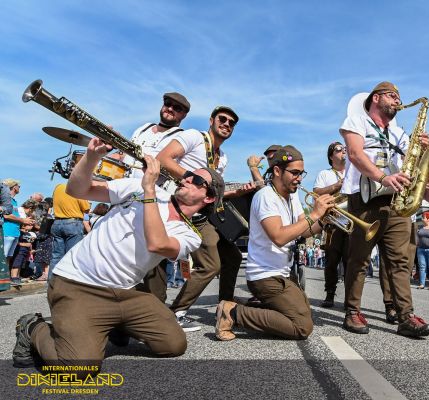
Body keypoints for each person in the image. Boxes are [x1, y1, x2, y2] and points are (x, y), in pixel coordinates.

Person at [12, 137, 223, 372]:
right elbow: (76, 190)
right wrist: (93, 156)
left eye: (196, 179)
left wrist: (150, 189)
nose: (185, 177)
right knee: (76, 368)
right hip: (79, 283)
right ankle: (32, 326)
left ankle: (115, 324)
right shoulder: (135, 188)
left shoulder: (190, 234)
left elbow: (157, 243)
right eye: (187, 173)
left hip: (126, 293)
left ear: (209, 198)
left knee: (173, 344)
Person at [339, 81, 429, 337]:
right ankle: (352, 311)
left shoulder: (400, 133)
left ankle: (405, 316)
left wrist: (423, 153)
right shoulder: (356, 121)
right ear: (376, 98)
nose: (397, 101)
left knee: (400, 262)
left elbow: (410, 163)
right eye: (393, 96)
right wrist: (382, 177)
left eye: (398, 97)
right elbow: (355, 154)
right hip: (366, 198)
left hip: (396, 202)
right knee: (358, 259)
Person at [214, 145, 334, 341]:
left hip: (282, 274)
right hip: (265, 276)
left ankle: (247, 306)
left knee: (302, 311)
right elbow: (278, 237)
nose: (299, 178)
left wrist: (324, 220)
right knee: (302, 327)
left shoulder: (291, 196)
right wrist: (314, 214)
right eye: (294, 173)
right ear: (277, 171)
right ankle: (232, 312)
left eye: (301, 173)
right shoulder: (265, 196)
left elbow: (303, 229)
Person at [156, 105, 254, 331]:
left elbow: (212, 192)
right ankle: (176, 312)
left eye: (232, 123)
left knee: (233, 256)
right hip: (181, 208)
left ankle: (225, 308)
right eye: (223, 119)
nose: (227, 124)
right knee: (210, 264)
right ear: (211, 120)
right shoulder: (194, 137)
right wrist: (196, 180)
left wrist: (236, 193)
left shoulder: (223, 158)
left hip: (203, 212)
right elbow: (163, 159)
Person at [120, 92, 190, 178]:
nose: (170, 109)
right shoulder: (144, 128)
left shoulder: (181, 137)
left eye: (177, 108)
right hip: (121, 183)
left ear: (184, 115)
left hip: (147, 189)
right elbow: (123, 155)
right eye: (168, 104)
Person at [313, 141, 348, 307]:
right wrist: (337, 186)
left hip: (350, 222)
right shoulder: (324, 174)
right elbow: (315, 193)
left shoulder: (353, 171)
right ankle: (330, 294)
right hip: (333, 222)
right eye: (339, 149)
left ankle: (351, 298)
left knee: (351, 261)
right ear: (331, 156)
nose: (343, 151)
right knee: (331, 261)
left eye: (344, 149)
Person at [49, 183, 90, 277]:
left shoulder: (58, 187)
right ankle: (67, 284)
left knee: (56, 256)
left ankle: (52, 282)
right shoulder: (78, 187)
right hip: (72, 223)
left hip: (57, 222)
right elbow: (86, 208)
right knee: (71, 256)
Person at [3, 179, 35, 268]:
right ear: (13, 187)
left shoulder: (14, 201)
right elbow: (6, 216)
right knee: (3, 257)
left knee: (9, 256)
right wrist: (23, 220)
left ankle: (4, 278)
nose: (19, 187)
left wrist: (25, 220)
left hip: (14, 232)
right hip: (7, 231)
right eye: (18, 186)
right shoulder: (6, 199)